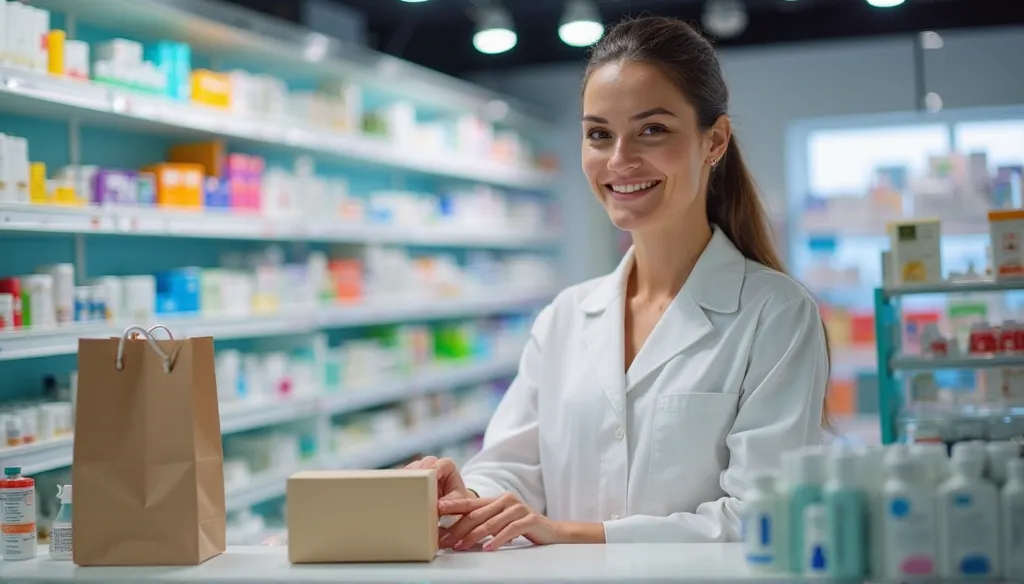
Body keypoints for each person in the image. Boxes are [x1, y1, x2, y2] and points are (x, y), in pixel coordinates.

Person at [406, 15, 830, 551]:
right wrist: (463, 499)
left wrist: (571, 533)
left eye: (652, 129)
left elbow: (765, 513)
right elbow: (513, 470)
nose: (620, 160)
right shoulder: (566, 316)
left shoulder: (776, 313)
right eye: (598, 134)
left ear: (714, 140)